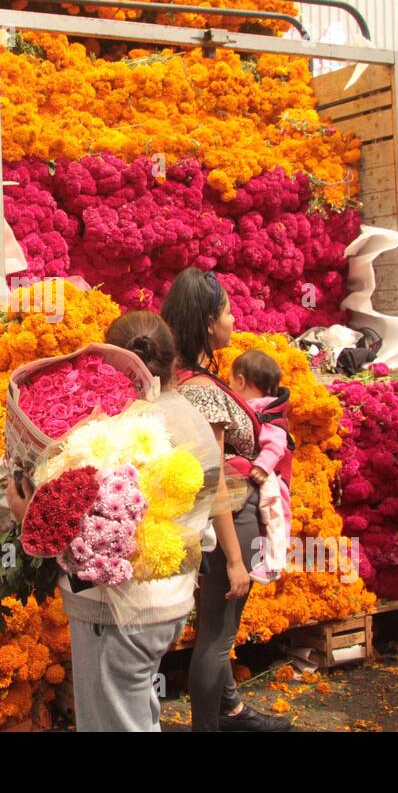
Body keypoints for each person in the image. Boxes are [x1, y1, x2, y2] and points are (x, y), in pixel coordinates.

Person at [2, 310, 242, 732]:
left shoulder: (109, 430)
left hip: (115, 611)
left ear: (112, 361)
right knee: (137, 713)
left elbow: (97, 542)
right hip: (171, 603)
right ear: (173, 359)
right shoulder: (192, 418)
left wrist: (31, 516)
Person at [161, 267, 291, 732]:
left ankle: (229, 711)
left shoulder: (174, 379)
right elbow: (213, 480)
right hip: (230, 520)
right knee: (217, 637)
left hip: (206, 522)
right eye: (228, 313)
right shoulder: (204, 393)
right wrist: (235, 559)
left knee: (213, 629)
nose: (234, 321)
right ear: (207, 322)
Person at [226, 350, 294, 584]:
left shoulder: (265, 411)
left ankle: (274, 564)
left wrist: (263, 467)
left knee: (274, 517)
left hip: (270, 477)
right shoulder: (259, 407)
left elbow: (276, 443)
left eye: (230, 382)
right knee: (268, 520)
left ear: (241, 381)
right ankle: (268, 559)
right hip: (261, 473)